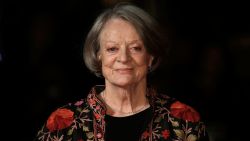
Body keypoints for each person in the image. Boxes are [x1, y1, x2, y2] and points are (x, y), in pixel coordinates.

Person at [34, 2, 209, 141]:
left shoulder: (185, 120)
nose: (123, 58)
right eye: (112, 49)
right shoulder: (62, 124)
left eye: (135, 48)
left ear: (151, 56)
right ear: (98, 55)